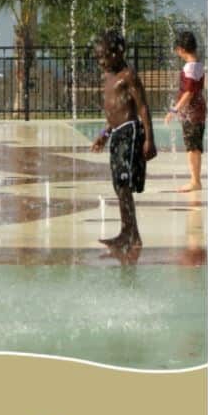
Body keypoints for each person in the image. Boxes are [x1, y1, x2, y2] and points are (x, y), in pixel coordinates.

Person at [90, 30, 157, 251]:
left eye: (105, 56)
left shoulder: (128, 75)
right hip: (117, 133)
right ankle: (127, 232)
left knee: (124, 183)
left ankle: (132, 234)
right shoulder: (108, 77)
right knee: (119, 185)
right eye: (98, 57)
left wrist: (149, 139)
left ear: (119, 53)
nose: (101, 61)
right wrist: (104, 135)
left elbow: (142, 106)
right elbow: (113, 112)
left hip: (130, 131)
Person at [163, 30, 205, 192]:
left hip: (192, 112)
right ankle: (195, 180)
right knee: (194, 146)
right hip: (197, 110)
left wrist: (174, 110)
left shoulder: (190, 67)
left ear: (180, 49)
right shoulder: (198, 64)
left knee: (192, 147)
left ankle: (195, 181)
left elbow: (189, 93)